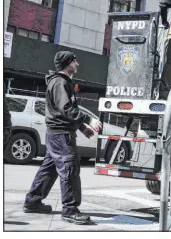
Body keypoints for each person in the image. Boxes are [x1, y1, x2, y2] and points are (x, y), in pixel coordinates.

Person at [24, 51, 102, 225]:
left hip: (56, 134)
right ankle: (70, 210)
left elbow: (64, 110)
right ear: (67, 63)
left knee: (49, 169)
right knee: (70, 169)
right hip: (61, 135)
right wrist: (88, 119)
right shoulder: (60, 83)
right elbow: (66, 108)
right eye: (75, 61)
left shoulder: (62, 82)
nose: (77, 64)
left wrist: (81, 127)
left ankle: (33, 201)